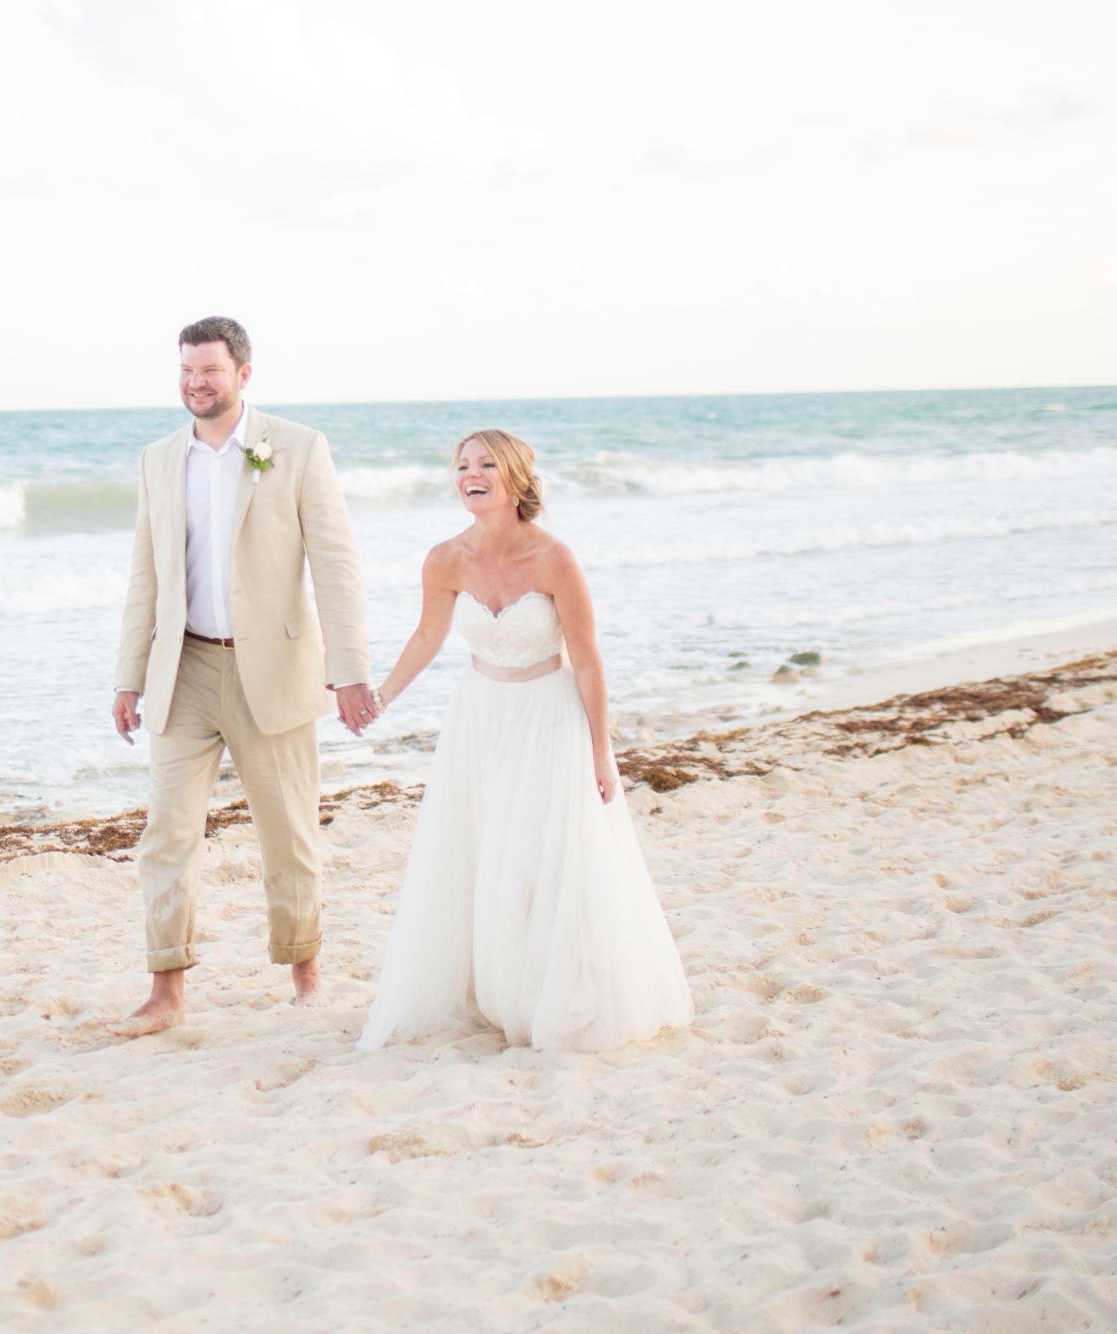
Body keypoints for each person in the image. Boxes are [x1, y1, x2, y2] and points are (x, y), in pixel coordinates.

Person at [357, 429, 693, 1053]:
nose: (470, 474)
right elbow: (428, 639)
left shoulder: (554, 558)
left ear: (513, 478)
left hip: (549, 716)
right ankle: (498, 988)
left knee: (544, 860)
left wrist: (600, 753)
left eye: (485, 464)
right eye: (462, 465)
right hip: (479, 717)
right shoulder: (444, 559)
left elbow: (589, 661)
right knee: (485, 854)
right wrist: (380, 697)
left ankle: (557, 995)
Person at [107, 317, 376, 1038]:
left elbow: (336, 564)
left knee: (288, 833)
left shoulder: (294, 448)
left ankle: (305, 971)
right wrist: (127, 676)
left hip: (276, 668)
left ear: (243, 375)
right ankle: (166, 990)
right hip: (184, 666)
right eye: (188, 371)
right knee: (167, 832)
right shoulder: (159, 460)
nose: (197, 383)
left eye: (211, 371)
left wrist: (349, 671)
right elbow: (145, 576)